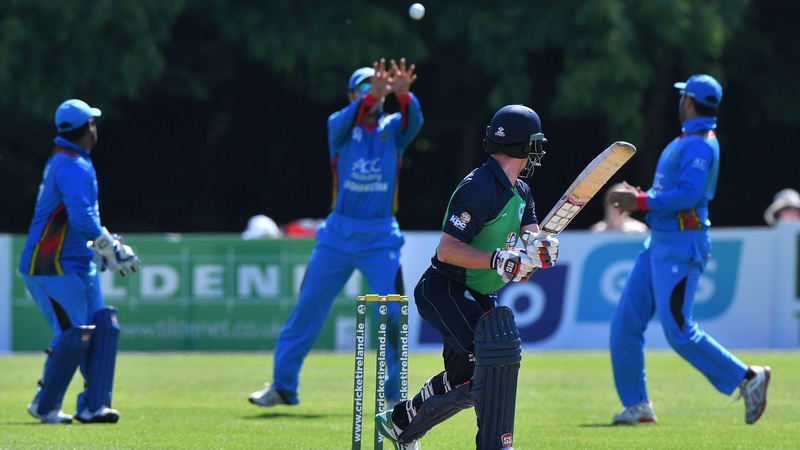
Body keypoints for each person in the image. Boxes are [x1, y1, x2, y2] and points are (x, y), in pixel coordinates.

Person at [375, 105, 560, 449]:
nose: (537, 152)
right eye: (535, 144)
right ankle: (494, 444)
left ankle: (402, 422)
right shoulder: (479, 188)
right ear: (523, 147)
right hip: (445, 289)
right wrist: (499, 259)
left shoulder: (521, 193)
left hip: (478, 295)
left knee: (470, 377)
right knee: (490, 364)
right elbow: (447, 250)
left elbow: (528, 255)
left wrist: (541, 252)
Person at [248, 58, 423, 408]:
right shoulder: (339, 128)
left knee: (392, 312)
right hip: (337, 236)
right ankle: (283, 386)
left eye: (376, 87)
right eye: (363, 87)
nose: (371, 92)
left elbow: (414, 121)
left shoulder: (393, 131)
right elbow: (348, 116)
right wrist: (372, 96)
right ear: (352, 96)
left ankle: (393, 396)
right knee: (307, 308)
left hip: (380, 238)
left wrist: (405, 96)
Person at [606, 74, 770, 425]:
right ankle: (637, 406)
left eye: (683, 97)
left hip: (681, 247)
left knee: (680, 332)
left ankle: (748, 378)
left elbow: (689, 196)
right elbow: (672, 191)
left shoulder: (698, 143)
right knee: (624, 323)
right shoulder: (690, 140)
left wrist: (639, 200)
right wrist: (645, 198)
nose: (680, 101)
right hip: (661, 243)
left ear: (689, 102)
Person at [19, 99, 142, 424]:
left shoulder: (73, 159)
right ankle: (45, 406)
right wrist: (112, 249)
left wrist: (100, 249)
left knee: (103, 327)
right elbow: (82, 217)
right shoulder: (72, 164)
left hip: (76, 262)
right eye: (93, 122)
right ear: (89, 127)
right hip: (49, 265)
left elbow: (84, 220)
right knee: (74, 334)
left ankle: (94, 405)